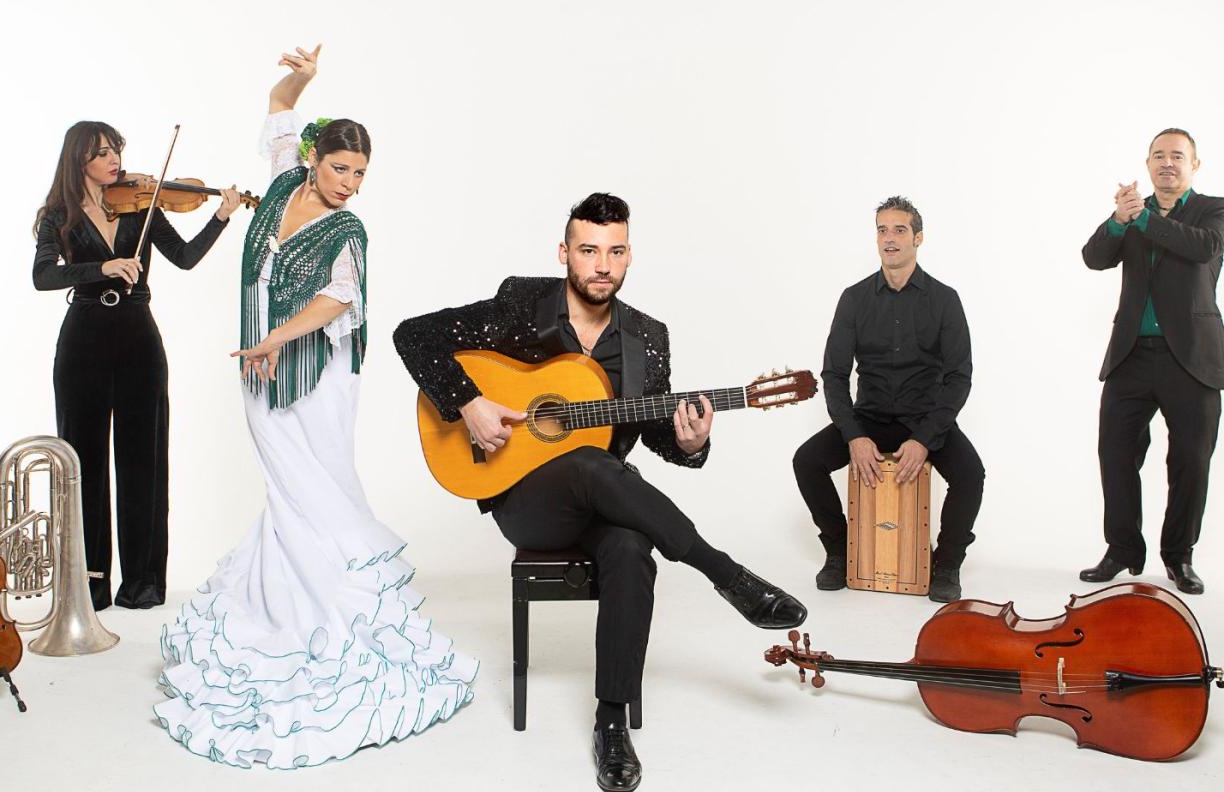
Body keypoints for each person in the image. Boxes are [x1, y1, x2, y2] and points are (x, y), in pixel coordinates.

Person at [395, 191, 807, 792]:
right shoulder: (520, 305)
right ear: (565, 252)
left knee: (630, 549)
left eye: (614, 252)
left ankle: (610, 723)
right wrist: (470, 402)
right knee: (588, 461)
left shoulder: (646, 338)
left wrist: (689, 444)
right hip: (525, 501)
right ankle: (727, 574)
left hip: (607, 498)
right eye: (588, 250)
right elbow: (414, 336)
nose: (601, 265)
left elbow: (658, 437)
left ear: (629, 255)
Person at [155, 45, 477, 769]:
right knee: (285, 490)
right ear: (313, 160)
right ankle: (279, 608)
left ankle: (332, 622)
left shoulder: (349, 231)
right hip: (260, 372)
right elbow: (278, 106)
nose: (351, 185)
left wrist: (274, 337)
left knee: (316, 490)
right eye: (341, 169)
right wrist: (305, 77)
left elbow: (340, 299)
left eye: (361, 175)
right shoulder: (277, 185)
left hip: (319, 378)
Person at [32, 120, 241, 610]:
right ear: (78, 159)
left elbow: (185, 257)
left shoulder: (142, 204)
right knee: (82, 463)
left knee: (142, 460)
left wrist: (221, 218)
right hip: (83, 338)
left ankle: (143, 583)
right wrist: (101, 268)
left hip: (138, 339)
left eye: (116, 152)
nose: (114, 161)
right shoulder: (57, 214)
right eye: (102, 153)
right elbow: (43, 275)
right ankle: (91, 584)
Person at [791, 196, 984, 604]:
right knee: (806, 460)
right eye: (882, 230)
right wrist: (854, 436)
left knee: (971, 474)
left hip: (926, 417)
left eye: (899, 230)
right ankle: (840, 551)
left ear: (918, 238)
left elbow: (958, 377)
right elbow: (834, 375)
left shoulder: (945, 299)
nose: (890, 239)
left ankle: (947, 564)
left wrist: (926, 439)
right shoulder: (854, 299)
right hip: (871, 416)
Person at [1080, 128, 1224, 595]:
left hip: (1193, 360)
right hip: (1131, 356)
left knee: (1191, 462)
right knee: (1115, 453)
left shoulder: (1213, 210)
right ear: (1147, 165)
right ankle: (1122, 549)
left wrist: (1142, 220)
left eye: (1177, 156)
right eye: (1159, 156)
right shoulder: (1132, 216)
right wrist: (1119, 222)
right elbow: (1094, 258)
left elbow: (1203, 248)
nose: (1167, 163)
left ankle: (1179, 556)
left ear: (1194, 165)